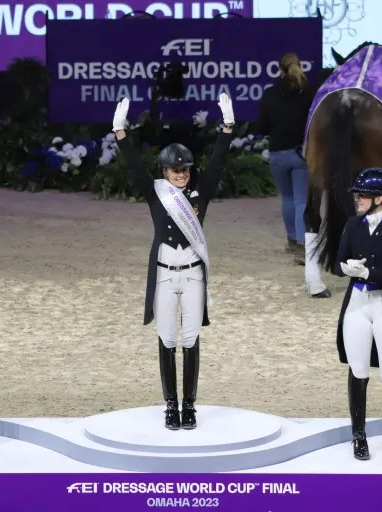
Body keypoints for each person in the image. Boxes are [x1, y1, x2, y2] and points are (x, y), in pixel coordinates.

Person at [112, 93, 235, 430]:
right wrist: (120, 132)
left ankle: (190, 405)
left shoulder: (200, 193)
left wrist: (227, 127)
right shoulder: (157, 195)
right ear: (164, 171)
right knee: (167, 339)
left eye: (185, 170)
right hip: (165, 276)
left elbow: (218, 162)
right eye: (174, 170)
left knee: (191, 339)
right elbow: (135, 168)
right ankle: (170, 406)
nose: (181, 174)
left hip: (193, 275)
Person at [335, 167, 382, 461]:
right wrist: (347, 267)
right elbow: (340, 259)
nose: (358, 200)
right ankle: (359, 436)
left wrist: (368, 271)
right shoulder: (353, 226)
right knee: (358, 370)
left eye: (363, 195)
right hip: (357, 302)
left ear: (380, 198)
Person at [255, 52, 316, 263]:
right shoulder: (309, 93)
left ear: (279, 69)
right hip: (301, 154)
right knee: (301, 200)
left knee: (288, 198)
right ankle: (302, 245)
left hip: (277, 153)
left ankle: (291, 241)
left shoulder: (270, 94)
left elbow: (261, 127)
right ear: (300, 67)